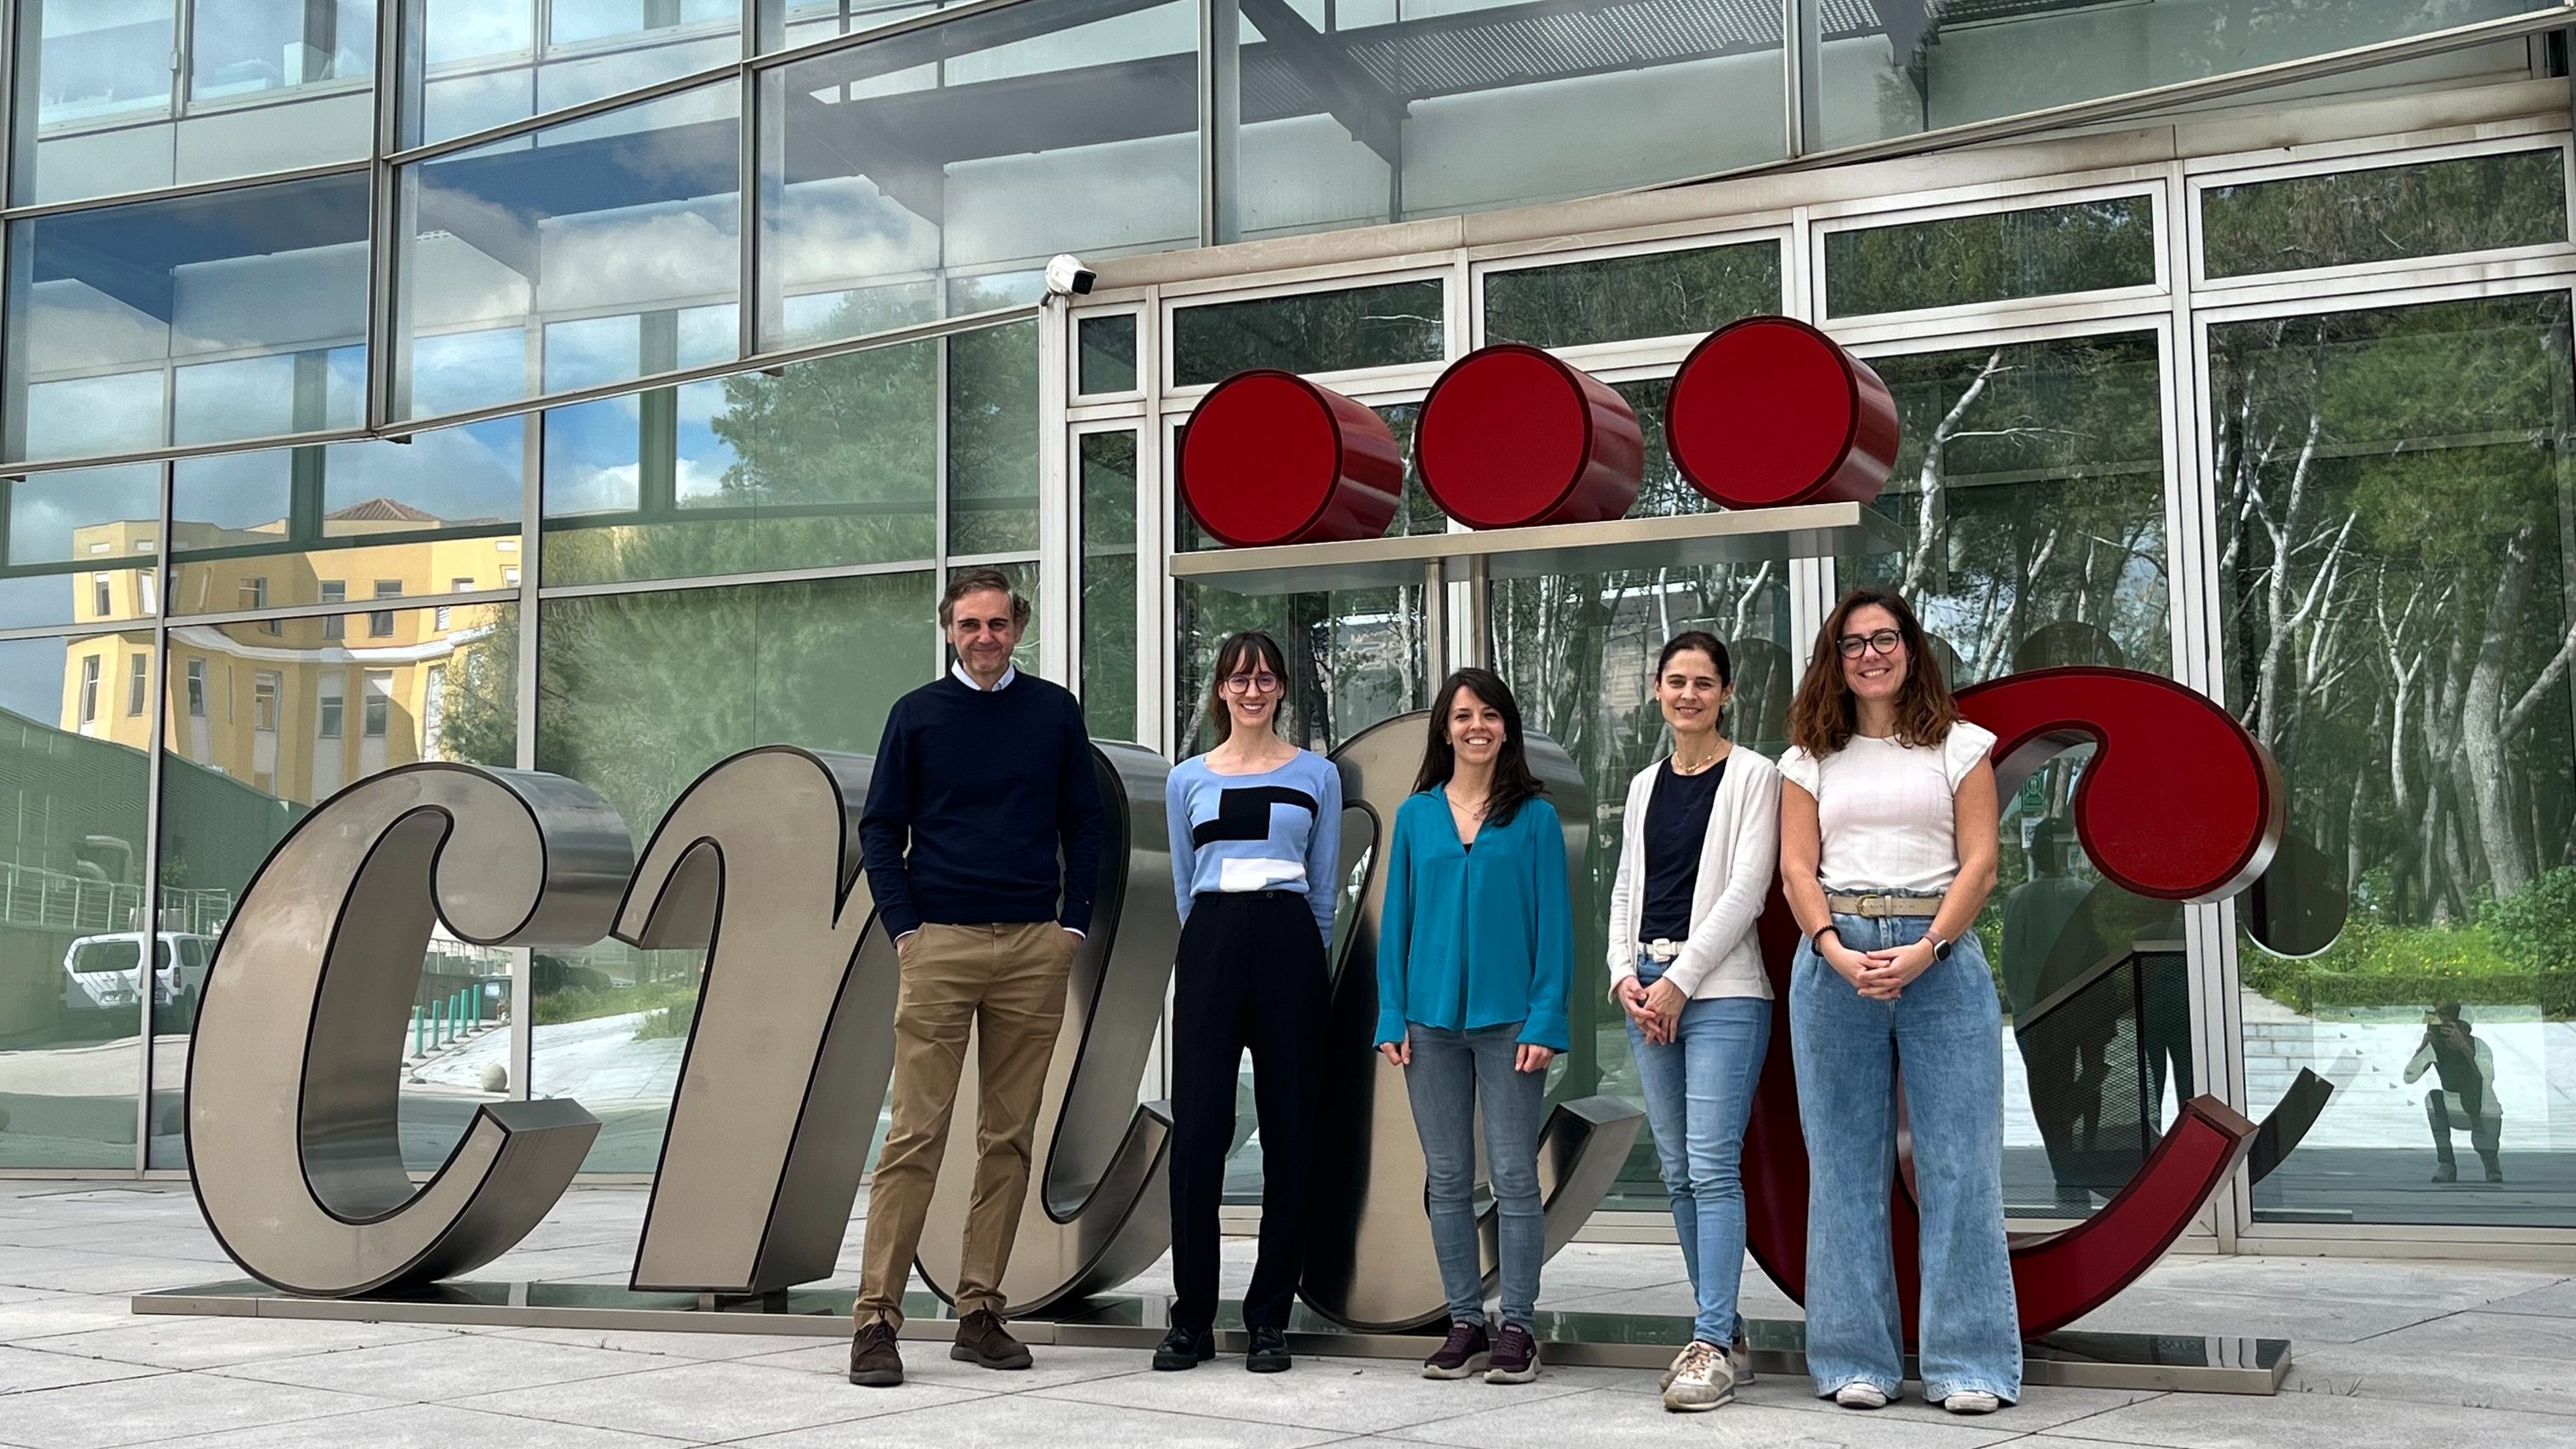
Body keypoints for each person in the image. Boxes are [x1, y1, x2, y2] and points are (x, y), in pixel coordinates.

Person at [846, 568, 1104, 1389]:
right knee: (915, 1136)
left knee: (1009, 1137)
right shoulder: (916, 716)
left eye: (997, 624)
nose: (984, 638)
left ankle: (979, 1311)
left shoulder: (1053, 712)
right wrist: (906, 931)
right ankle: (875, 1322)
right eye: (969, 625)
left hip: (1034, 945)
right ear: (949, 630)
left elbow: (1085, 823)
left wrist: (1072, 926)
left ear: (1018, 627)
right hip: (942, 946)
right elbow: (881, 827)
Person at [1777, 586, 2019, 1416]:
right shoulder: (1808, 756)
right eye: (1852, 642)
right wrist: (1834, 949)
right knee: (1843, 1165)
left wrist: (1925, 949)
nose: (1869, 653)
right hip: (1834, 960)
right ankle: (1855, 1359)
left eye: (1884, 638)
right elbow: (1795, 870)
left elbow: (1978, 864)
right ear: (1833, 659)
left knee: (1959, 1162)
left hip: (1939, 958)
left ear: (1911, 650)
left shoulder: (1960, 746)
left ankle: (1970, 1363)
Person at [1375, 669, 1573, 1387]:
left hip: (1511, 1020)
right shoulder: (1417, 815)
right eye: (1463, 716)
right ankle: (1465, 1320)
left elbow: (1555, 926)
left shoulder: (1536, 818)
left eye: (1490, 715)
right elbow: (1394, 923)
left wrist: (1547, 1017)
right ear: (1445, 729)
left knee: (1516, 1176)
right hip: (1427, 1023)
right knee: (1449, 1177)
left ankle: (1517, 1322)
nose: (1476, 727)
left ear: (1507, 728)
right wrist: (1390, 1013)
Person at [1155, 631, 1342, 1375]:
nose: (1253, 689)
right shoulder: (1186, 779)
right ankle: (1191, 1318)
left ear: (1283, 687)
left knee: (1291, 1129)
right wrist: (1208, 943)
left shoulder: (1317, 774)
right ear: (1221, 691)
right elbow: (1181, 877)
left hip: (1290, 935)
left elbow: (1323, 884)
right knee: (1199, 1127)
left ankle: (1269, 1318)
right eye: (1239, 678)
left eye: (1265, 677)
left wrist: (1307, 957)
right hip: (1212, 936)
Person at [1605, 631, 1779, 1413]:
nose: (1688, 695)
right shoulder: (1644, 783)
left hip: (1725, 993)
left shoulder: (1755, 776)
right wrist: (1624, 975)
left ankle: (1709, 1342)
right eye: (1675, 681)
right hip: (1649, 988)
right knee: (1676, 1170)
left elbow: (1748, 891)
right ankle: (1726, 1328)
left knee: (1711, 1166)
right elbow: (1625, 886)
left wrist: (1679, 980)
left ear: (1727, 694)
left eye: (1703, 683)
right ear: (1656, 690)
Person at [2408, 1000, 2503, 1184]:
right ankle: (2446, 1164)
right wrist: (2423, 1048)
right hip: (2452, 1107)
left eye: (2452, 1027)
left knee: (2482, 1143)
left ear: (2465, 1028)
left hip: (2482, 1108)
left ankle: (2491, 1164)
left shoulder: (2479, 1046)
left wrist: (2463, 1047)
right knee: (2433, 1099)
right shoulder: (2436, 1047)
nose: (2447, 1031)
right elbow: (2409, 1076)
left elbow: (2487, 1078)